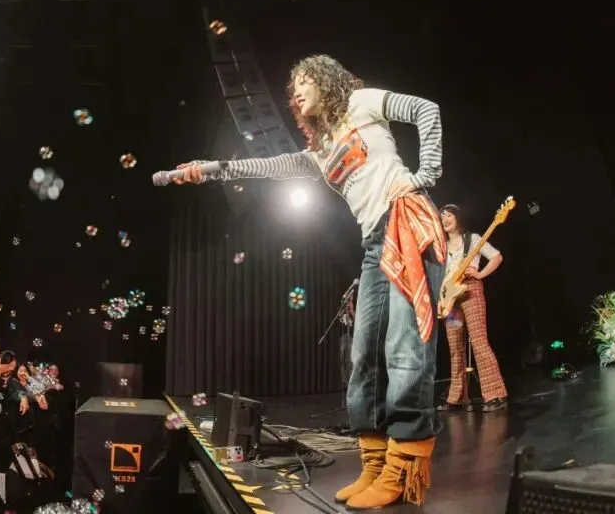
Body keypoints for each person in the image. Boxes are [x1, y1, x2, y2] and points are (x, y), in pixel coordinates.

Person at [170, 54, 445, 509]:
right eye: (292, 86)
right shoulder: (319, 151)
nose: (295, 91)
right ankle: (374, 463)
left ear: (327, 80)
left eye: (304, 80)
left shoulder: (361, 101)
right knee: (363, 359)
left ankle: (403, 467)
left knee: (404, 349)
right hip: (374, 245)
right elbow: (266, 166)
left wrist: (426, 174)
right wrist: (212, 168)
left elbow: (425, 110)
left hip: (406, 222)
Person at [437, 205, 508, 412]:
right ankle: (457, 397)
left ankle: (496, 394)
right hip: (451, 300)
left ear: (458, 217)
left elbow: (496, 257)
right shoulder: (441, 247)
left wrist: (480, 274)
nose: (445, 219)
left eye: (449, 215)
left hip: (470, 290)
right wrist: (441, 299)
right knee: (454, 347)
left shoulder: (472, 239)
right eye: (442, 217)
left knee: (478, 341)